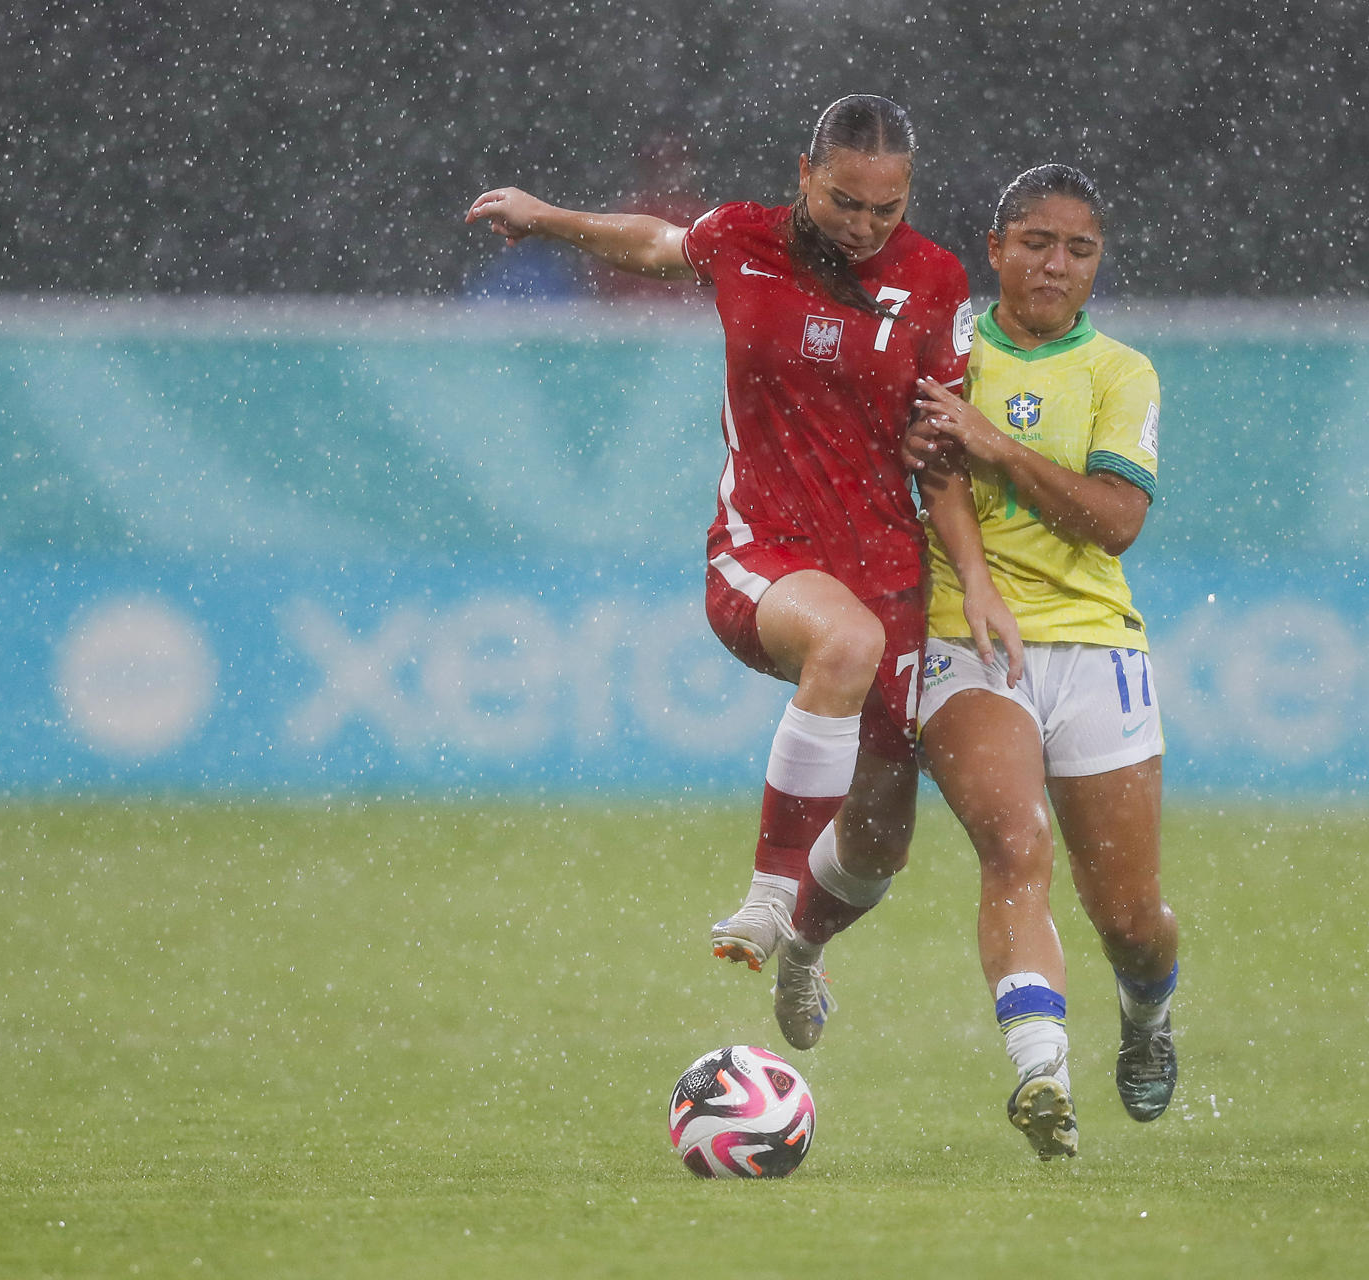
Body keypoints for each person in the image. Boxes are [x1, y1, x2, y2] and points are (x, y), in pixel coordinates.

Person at [466, 96, 1021, 1052]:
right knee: (840, 644)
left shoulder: (934, 281)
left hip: (889, 569)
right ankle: (768, 897)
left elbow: (943, 453)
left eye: (885, 210)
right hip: (765, 551)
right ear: (804, 173)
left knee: (883, 843)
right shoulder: (742, 240)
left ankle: (803, 944)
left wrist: (971, 579)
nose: (863, 225)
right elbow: (653, 244)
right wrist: (546, 217)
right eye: (845, 201)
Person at [908, 164, 1177, 1161]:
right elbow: (932, 469)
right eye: (1036, 242)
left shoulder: (1120, 374)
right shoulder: (947, 352)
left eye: (1079, 248)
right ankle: (1042, 1072)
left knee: (1132, 920)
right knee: (1015, 843)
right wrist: (970, 449)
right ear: (997, 248)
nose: (1056, 263)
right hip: (965, 635)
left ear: (1097, 262)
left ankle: (1146, 1015)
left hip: (1096, 646)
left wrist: (995, 446)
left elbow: (1113, 523)